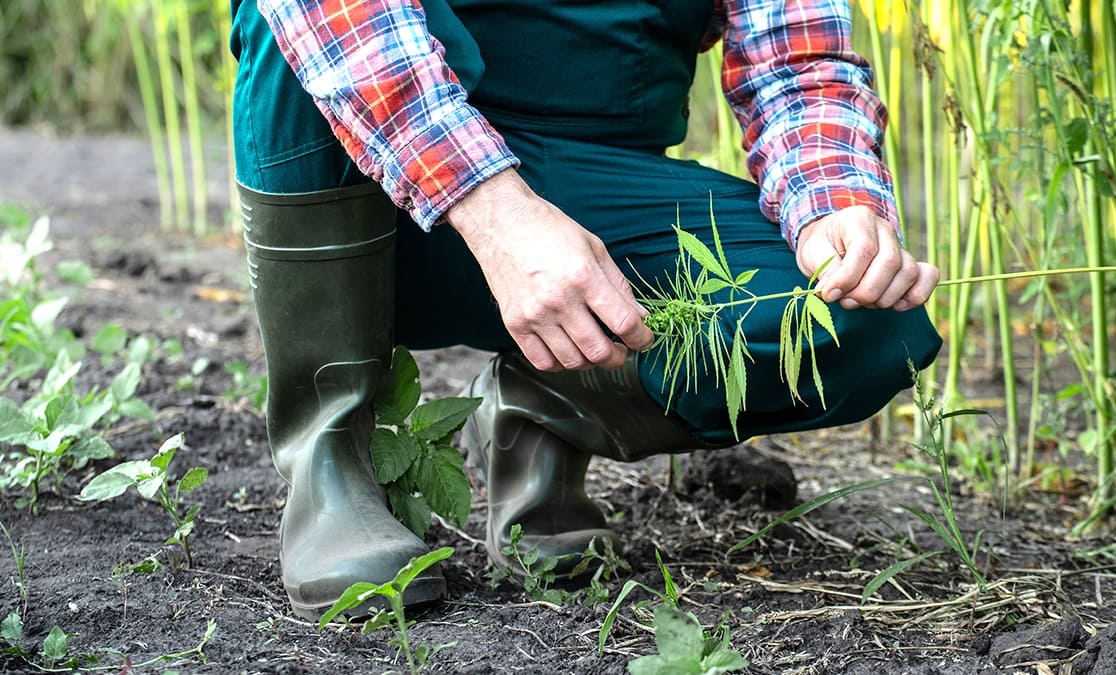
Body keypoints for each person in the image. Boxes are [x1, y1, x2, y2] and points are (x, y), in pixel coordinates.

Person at [229, 0, 943, 621]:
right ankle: (329, 460)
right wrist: (494, 209)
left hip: (599, 203)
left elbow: (797, 62)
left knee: (864, 319)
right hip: (373, 187)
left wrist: (832, 204)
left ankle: (546, 399)